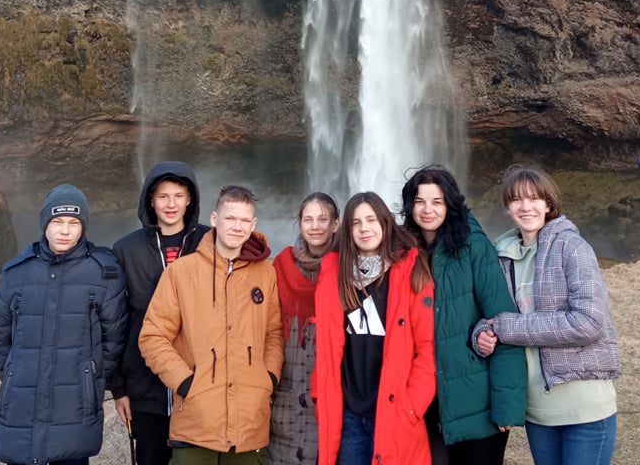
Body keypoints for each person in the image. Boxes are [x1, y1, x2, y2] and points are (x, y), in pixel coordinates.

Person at [473, 165, 620, 465]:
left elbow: (589, 323)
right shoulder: (500, 256)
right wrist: (481, 336)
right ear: (507, 208)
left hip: (585, 408)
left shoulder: (573, 248)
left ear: (548, 204)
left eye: (534, 198)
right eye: (516, 199)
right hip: (537, 411)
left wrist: (507, 328)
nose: (525, 207)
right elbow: (487, 315)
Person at [139, 185, 284, 464]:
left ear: (253, 224)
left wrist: (268, 379)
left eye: (244, 220)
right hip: (196, 420)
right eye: (231, 218)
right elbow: (152, 337)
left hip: (250, 420)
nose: (237, 227)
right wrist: (185, 383)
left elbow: (273, 334)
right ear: (215, 219)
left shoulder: (266, 274)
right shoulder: (181, 272)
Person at [0, 184, 128, 465]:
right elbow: (2, 336)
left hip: (75, 403)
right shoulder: (16, 273)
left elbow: (114, 338)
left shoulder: (103, 272)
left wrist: (89, 376)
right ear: (45, 223)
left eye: (73, 223)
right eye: (57, 221)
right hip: (22, 400)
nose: (65, 231)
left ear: (83, 227)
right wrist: (14, 374)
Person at [401, 166, 526, 465]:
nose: (427, 210)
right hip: (425, 401)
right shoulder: (403, 252)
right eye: (420, 201)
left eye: (437, 201)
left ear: (450, 204)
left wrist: (507, 407)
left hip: (476, 402)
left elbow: (503, 322)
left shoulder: (474, 246)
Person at [313, 191, 436, 465]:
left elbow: (427, 346)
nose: (364, 228)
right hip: (349, 413)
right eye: (356, 223)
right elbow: (326, 347)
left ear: (385, 223)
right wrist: (320, 396)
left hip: (395, 410)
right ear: (347, 230)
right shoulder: (334, 275)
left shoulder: (410, 271)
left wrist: (413, 405)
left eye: (371, 220)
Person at [109, 162, 211, 465]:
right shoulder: (126, 250)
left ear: (190, 199)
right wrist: (119, 389)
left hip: (200, 386)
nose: (171, 204)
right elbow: (116, 322)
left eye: (178, 196)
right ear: (150, 200)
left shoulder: (210, 243)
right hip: (145, 387)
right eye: (163, 196)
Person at [268, 192, 341, 465]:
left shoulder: (348, 269)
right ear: (299, 223)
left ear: (336, 223)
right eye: (308, 219)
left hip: (331, 395)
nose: (315, 226)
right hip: (287, 394)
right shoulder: (280, 267)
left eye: (323, 219)